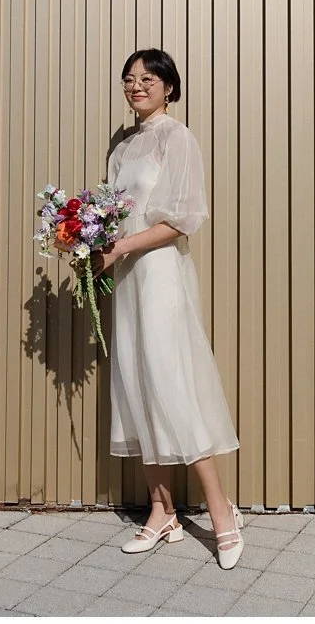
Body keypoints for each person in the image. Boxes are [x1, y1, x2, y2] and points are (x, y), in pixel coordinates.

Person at [99, 48, 245, 570]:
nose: (136, 86)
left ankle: (222, 515)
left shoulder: (176, 138)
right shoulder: (122, 148)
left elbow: (183, 219)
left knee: (171, 382)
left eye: (147, 79)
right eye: (129, 79)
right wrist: (93, 245)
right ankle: (163, 511)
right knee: (135, 383)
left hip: (159, 275)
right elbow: (113, 214)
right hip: (128, 277)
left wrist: (121, 245)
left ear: (168, 87)